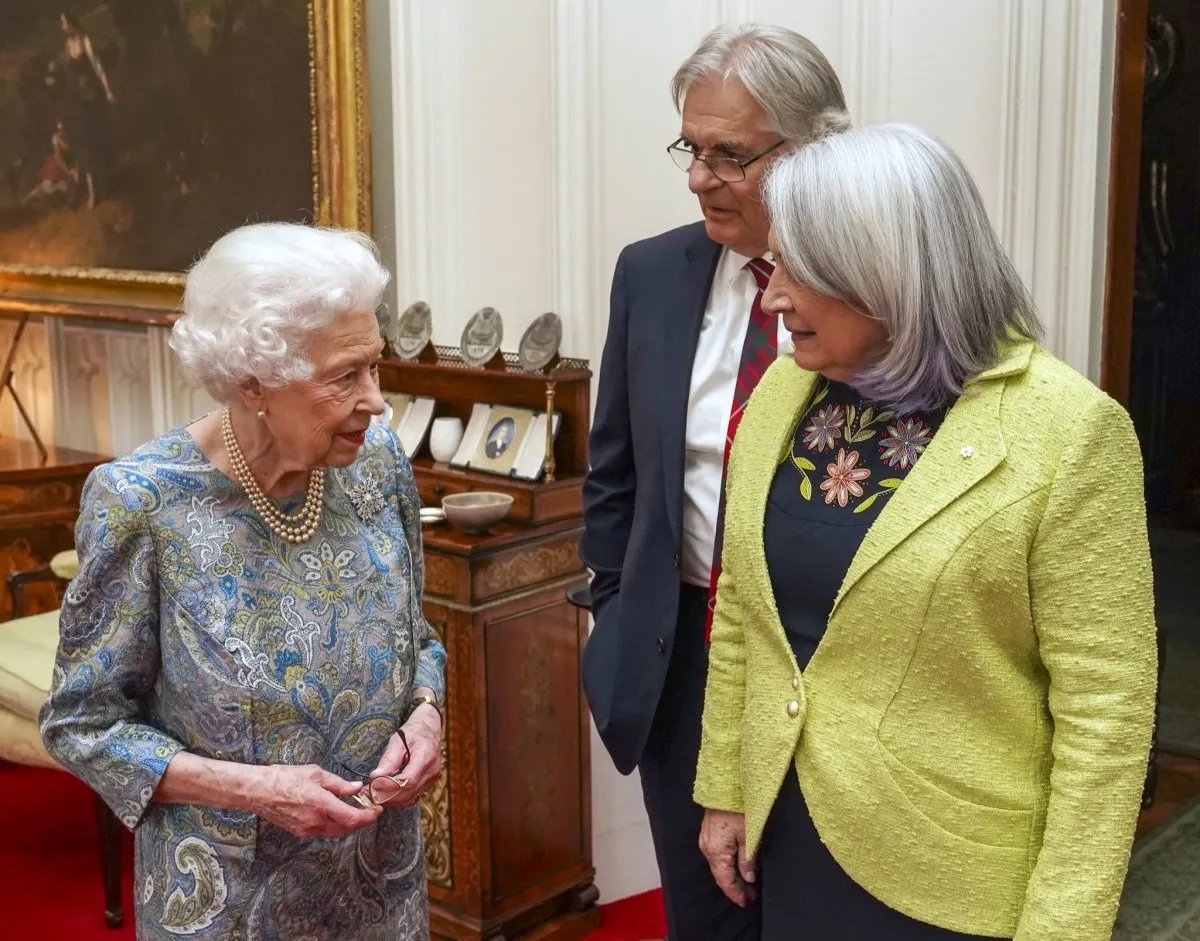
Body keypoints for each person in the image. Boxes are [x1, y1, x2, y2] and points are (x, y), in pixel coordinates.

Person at [694, 124, 1157, 940]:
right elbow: (741, 612)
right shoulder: (784, 396)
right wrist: (726, 783)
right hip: (792, 842)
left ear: (882, 272)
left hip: (954, 879)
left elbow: (1107, 714)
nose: (772, 294)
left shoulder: (1069, 432)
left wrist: (1065, 925)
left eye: (801, 266)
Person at [40, 222, 447, 940]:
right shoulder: (143, 502)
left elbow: (418, 638)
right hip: (227, 900)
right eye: (344, 376)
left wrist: (425, 713)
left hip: (383, 886)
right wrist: (256, 790)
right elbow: (83, 725)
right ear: (253, 384)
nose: (378, 401)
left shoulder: (376, 462)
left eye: (374, 366)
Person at [579, 23, 849, 939]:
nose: (699, 178)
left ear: (816, 150)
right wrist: (614, 608)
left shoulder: (874, 294)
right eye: (690, 150)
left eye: (729, 156)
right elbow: (613, 475)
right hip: (681, 655)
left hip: (825, 667)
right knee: (706, 916)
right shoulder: (651, 274)